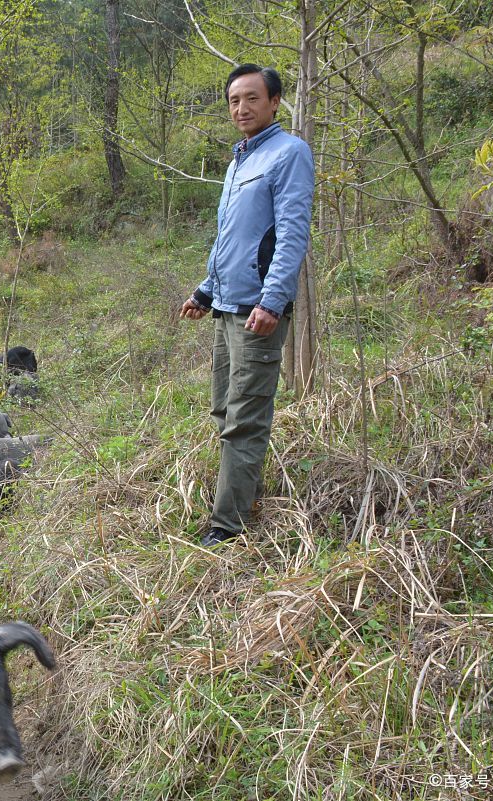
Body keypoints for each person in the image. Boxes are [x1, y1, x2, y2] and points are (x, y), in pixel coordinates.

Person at [178, 64, 315, 547]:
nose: (242, 108)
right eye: (235, 100)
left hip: (259, 311)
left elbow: (291, 234)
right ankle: (246, 496)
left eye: (252, 98)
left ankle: (227, 526)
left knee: (245, 418)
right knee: (224, 409)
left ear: (275, 101)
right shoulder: (239, 161)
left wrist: (273, 301)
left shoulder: (289, 153)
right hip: (228, 306)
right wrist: (205, 290)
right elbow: (230, 241)